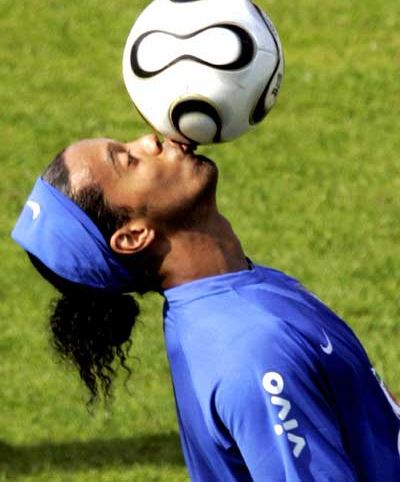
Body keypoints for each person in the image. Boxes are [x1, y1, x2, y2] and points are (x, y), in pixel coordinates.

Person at [12, 134, 400, 481]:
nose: (151, 140)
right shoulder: (252, 350)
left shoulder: (239, 290)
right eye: (128, 159)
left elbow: (370, 413)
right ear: (133, 236)